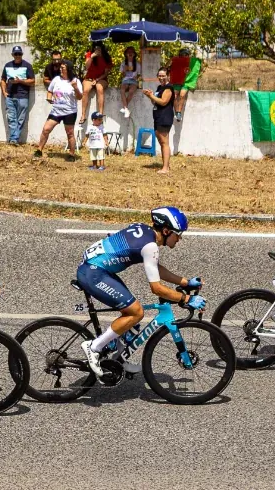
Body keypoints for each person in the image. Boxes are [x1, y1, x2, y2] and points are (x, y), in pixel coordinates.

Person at [77, 207, 205, 376]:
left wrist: (185, 282)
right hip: (94, 273)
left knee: (132, 317)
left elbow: (154, 267)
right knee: (136, 312)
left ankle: (118, 359)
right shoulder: (150, 246)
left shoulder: (144, 230)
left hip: (97, 269)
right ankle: (94, 347)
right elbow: (156, 289)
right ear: (166, 231)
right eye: (178, 234)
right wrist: (186, 299)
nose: (179, 238)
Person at [34, 61, 82, 160]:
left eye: (62, 68)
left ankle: (71, 154)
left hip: (70, 111)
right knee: (46, 129)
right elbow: (50, 90)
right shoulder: (56, 79)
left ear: (68, 69)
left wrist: (75, 88)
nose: (60, 69)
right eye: (60, 67)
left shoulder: (75, 81)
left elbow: (79, 97)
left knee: (70, 133)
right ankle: (39, 150)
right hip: (56, 111)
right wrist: (49, 98)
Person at [0, 46, 35, 145]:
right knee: (11, 118)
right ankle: (14, 139)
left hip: (23, 96)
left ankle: (13, 138)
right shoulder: (7, 65)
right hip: (10, 96)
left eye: (19, 54)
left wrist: (20, 81)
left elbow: (32, 81)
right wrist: (4, 92)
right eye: (16, 54)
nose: (17, 56)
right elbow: (3, 80)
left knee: (21, 119)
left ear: (22, 54)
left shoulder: (27, 66)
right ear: (12, 55)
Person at [142, 67, 174, 174]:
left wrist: (151, 96)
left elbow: (163, 102)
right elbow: (156, 102)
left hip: (165, 117)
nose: (161, 78)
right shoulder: (160, 87)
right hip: (158, 117)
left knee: (164, 143)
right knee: (162, 142)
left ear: (168, 76)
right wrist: (150, 96)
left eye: (163, 75)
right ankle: (166, 166)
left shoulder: (168, 88)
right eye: (159, 76)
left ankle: (165, 168)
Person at [80, 41, 112, 124]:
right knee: (86, 90)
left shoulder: (106, 57)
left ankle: (100, 114)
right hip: (89, 78)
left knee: (99, 88)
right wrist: (92, 57)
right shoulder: (89, 54)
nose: (97, 49)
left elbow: (106, 73)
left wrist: (97, 80)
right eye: (95, 47)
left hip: (101, 78)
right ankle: (83, 115)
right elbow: (87, 67)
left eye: (99, 47)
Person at [169, 48, 201, 122]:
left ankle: (179, 113)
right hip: (177, 81)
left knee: (182, 95)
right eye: (182, 55)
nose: (184, 56)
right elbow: (169, 68)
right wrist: (172, 59)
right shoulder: (176, 60)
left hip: (186, 82)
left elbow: (196, 69)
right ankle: (176, 111)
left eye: (186, 54)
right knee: (174, 95)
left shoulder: (191, 61)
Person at [118, 46, 141, 119]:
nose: (130, 53)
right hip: (125, 80)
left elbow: (139, 74)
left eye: (132, 52)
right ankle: (126, 109)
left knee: (131, 91)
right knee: (122, 90)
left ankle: (125, 108)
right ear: (126, 54)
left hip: (134, 80)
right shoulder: (123, 63)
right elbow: (123, 75)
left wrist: (136, 78)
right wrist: (125, 70)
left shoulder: (137, 64)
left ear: (134, 54)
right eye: (128, 52)